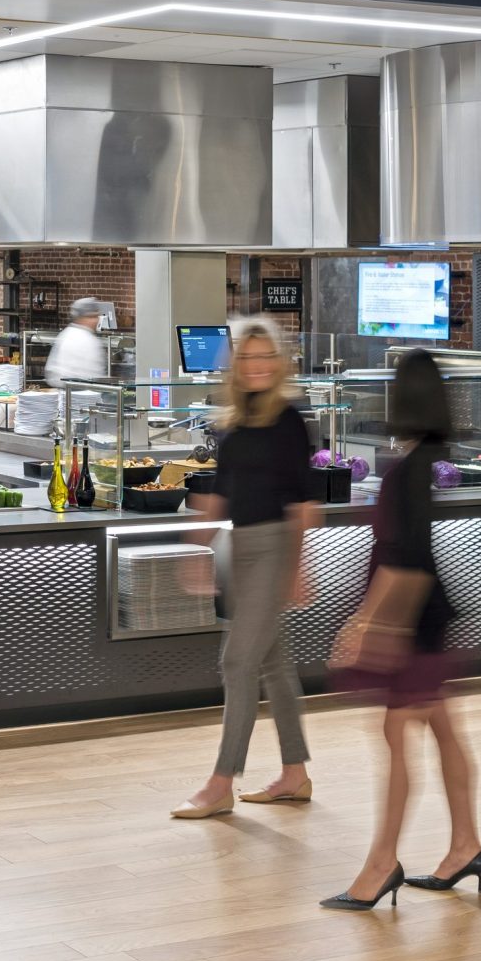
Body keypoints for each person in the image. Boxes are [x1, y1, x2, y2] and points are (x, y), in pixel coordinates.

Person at [321, 348, 481, 912]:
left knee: (397, 740)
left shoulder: (407, 472)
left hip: (411, 627)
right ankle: (465, 846)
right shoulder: (429, 461)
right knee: (442, 732)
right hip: (430, 621)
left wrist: (365, 622)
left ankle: (380, 866)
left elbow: (404, 559)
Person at [173, 323, 319, 819]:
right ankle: (294, 774)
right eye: (247, 357)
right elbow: (222, 496)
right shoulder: (234, 421)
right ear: (237, 365)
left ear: (279, 363)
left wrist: (298, 566)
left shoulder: (291, 421)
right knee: (272, 664)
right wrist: (199, 547)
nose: (256, 365)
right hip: (242, 545)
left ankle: (220, 782)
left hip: (276, 546)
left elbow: (303, 504)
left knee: (237, 661)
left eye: (265, 356)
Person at [43, 298, 109, 384]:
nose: (96, 320)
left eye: (97, 316)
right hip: (82, 394)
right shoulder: (86, 340)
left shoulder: (66, 334)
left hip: (68, 393)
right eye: (92, 317)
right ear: (80, 318)